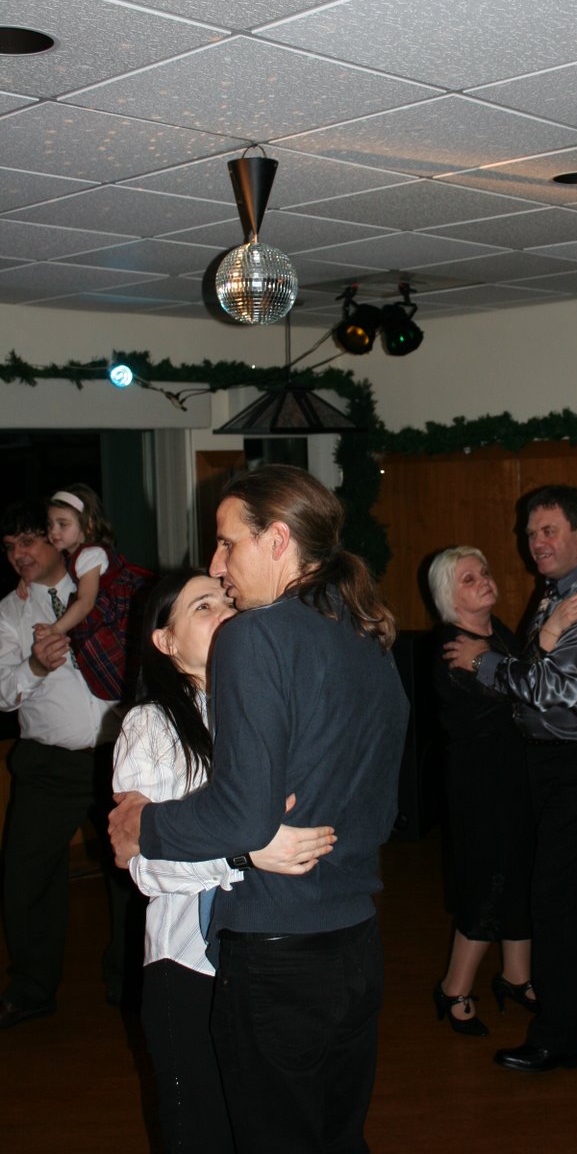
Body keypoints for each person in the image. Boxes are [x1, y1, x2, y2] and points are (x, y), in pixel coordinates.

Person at [109, 465, 410, 1154]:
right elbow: (382, 803)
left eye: (226, 543)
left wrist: (145, 826)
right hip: (356, 943)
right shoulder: (366, 634)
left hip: (280, 952)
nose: (218, 566)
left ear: (277, 540)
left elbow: (243, 817)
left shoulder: (255, 636)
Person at [114, 567, 337, 1153]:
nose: (226, 614)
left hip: (269, 955)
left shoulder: (260, 705)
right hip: (189, 962)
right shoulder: (150, 725)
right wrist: (242, 853)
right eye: (203, 607)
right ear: (165, 641)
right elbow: (145, 866)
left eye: (226, 602)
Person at [444, 484, 577, 1074]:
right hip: (567, 761)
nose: (536, 543)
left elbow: (553, 688)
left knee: (557, 901)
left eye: (549, 530)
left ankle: (560, 1038)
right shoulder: (564, 590)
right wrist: (543, 638)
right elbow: (536, 658)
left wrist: (484, 661)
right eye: (531, 533)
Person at [429, 546, 577, 1037]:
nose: (484, 580)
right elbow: (516, 695)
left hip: (517, 779)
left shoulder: (497, 632)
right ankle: (454, 987)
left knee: (523, 874)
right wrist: (547, 635)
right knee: (488, 882)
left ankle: (516, 975)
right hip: (482, 788)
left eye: (483, 571)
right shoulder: (453, 647)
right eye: (468, 578)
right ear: (449, 596)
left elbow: (525, 678)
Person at [0, 498, 133, 1029]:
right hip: (48, 766)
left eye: (28, 541)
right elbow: (3, 693)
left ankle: (129, 982)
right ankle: (32, 988)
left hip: (119, 759)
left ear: (58, 539)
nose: (19, 554)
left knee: (131, 874)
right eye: (9, 547)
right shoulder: (11, 612)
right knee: (26, 876)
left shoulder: (106, 587)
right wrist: (34, 665)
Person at [33, 484, 153, 701]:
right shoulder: (76, 554)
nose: (54, 532)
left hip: (117, 614)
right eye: (50, 524)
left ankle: (127, 689)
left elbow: (86, 601)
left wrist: (56, 629)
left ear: (88, 526)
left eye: (63, 524)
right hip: (111, 611)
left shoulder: (89, 554)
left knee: (116, 653)